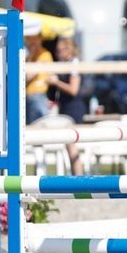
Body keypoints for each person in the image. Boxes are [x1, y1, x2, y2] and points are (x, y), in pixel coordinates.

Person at [45, 35, 90, 174]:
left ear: (69, 50)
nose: (58, 54)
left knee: (72, 146)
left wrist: (55, 82)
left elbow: (73, 89)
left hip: (74, 109)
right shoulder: (67, 65)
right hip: (67, 107)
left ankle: (79, 178)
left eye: (60, 51)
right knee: (69, 145)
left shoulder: (74, 64)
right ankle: (76, 177)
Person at [23, 17, 52, 122]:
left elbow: (28, 76)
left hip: (37, 96)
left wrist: (30, 57)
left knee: (37, 125)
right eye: (29, 38)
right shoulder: (31, 55)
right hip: (30, 96)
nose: (31, 41)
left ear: (40, 39)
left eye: (34, 38)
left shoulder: (44, 54)